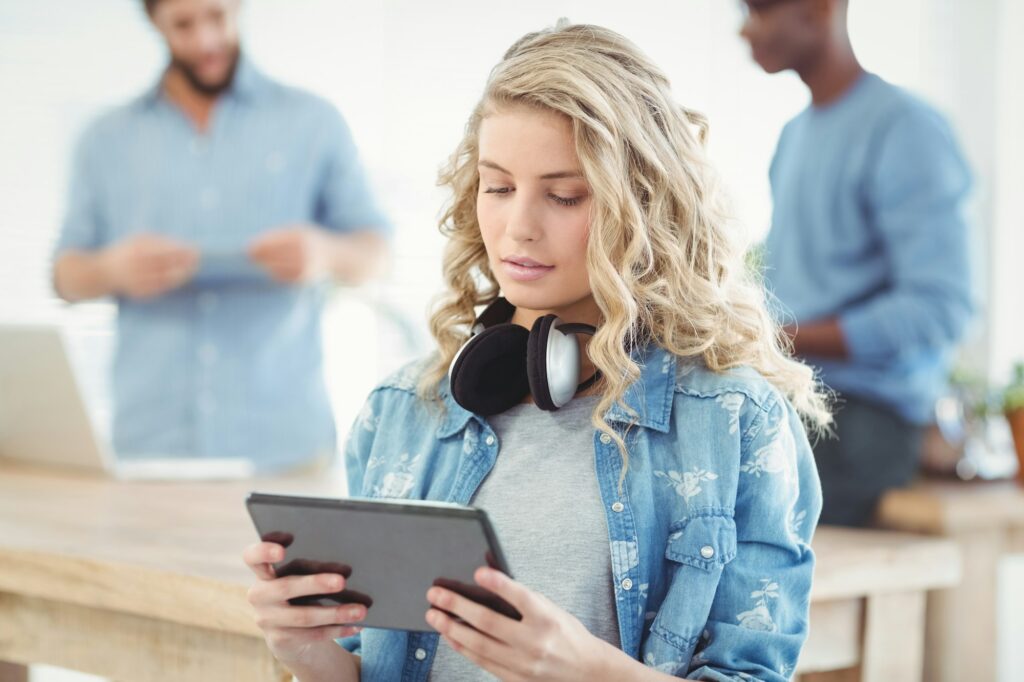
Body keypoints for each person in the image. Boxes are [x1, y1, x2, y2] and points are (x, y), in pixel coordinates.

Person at [244, 22, 828, 681]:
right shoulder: (402, 412)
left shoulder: (732, 420)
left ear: (640, 206)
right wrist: (308, 652)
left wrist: (586, 670)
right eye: (498, 186)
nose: (519, 226)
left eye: (563, 194)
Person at [51, 0, 390, 472]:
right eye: (184, 25)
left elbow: (378, 254)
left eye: (217, 16)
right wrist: (111, 270)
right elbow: (65, 277)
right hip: (149, 450)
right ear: (154, 21)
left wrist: (324, 252)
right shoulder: (105, 139)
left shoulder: (314, 121)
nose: (206, 40)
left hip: (284, 446)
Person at [739, 0, 974, 525]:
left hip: (865, 420)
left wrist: (784, 336)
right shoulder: (793, 138)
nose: (745, 29)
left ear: (819, 9)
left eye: (761, 10)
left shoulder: (904, 129)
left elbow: (941, 307)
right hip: (792, 397)